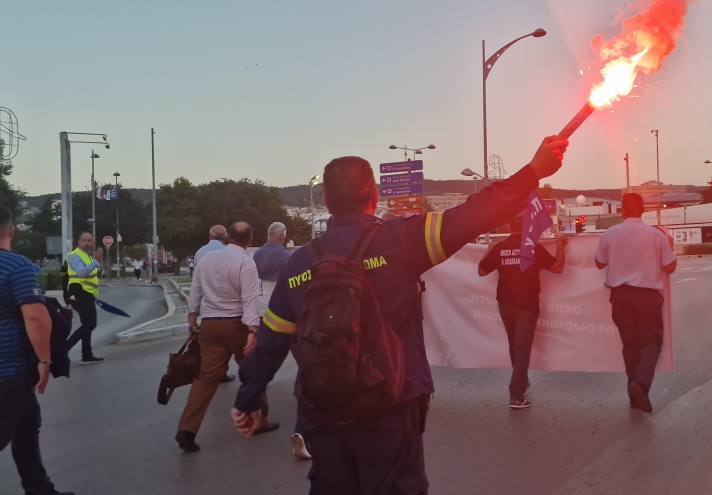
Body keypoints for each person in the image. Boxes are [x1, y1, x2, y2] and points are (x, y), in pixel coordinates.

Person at [231, 136, 568, 493]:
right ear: (374, 195)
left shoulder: (298, 263)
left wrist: (248, 399)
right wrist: (533, 172)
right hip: (390, 406)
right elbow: (473, 215)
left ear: (326, 202)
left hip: (323, 411)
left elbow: (270, 343)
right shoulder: (402, 239)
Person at [175, 222, 278, 452]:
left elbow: (195, 291)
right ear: (250, 240)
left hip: (210, 325)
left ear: (228, 237)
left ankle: (187, 429)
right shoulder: (245, 262)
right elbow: (250, 299)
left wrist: (192, 318)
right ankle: (259, 421)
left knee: (206, 378)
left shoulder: (206, 260)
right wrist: (252, 330)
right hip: (236, 325)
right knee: (254, 373)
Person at [0, 205, 75, 495]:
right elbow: (35, 317)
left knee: (27, 423)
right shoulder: (16, 266)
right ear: (12, 230)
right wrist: (45, 360)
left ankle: (39, 489)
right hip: (9, 371)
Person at [595, 193, 676, 413]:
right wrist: (670, 246)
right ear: (643, 210)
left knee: (630, 344)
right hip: (647, 297)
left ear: (622, 210)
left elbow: (599, 263)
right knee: (652, 342)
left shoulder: (610, 233)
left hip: (621, 296)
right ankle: (640, 384)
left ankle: (634, 396)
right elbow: (670, 267)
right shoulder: (656, 235)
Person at [478, 214, 567, 409]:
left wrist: (489, 250)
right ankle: (516, 395)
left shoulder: (500, 247)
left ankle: (522, 381)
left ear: (509, 227)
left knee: (515, 345)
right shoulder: (533, 247)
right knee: (523, 350)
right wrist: (560, 245)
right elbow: (557, 268)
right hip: (527, 305)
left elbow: (482, 271)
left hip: (505, 304)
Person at [251, 221, 311, 460]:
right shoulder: (287, 257)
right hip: (284, 315)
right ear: (283, 235)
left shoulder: (256, 256)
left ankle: (256, 413)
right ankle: (304, 428)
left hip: (261, 314)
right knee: (307, 367)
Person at [194, 225, 235, 384]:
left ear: (209, 236)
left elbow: (196, 283)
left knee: (211, 348)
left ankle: (214, 373)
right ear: (226, 238)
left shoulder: (200, 253)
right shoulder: (230, 252)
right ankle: (253, 385)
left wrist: (193, 314)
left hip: (208, 308)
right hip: (229, 310)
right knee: (235, 347)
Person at [65, 232, 104, 364]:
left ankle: (86, 354)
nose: (86, 243)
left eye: (89, 240)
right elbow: (81, 272)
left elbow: (92, 274)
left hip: (85, 293)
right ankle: (64, 348)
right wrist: (96, 261)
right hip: (78, 293)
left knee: (87, 324)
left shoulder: (87, 256)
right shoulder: (75, 256)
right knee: (90, 324)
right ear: (78, 242)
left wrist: (97, 261)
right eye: (84, 240)